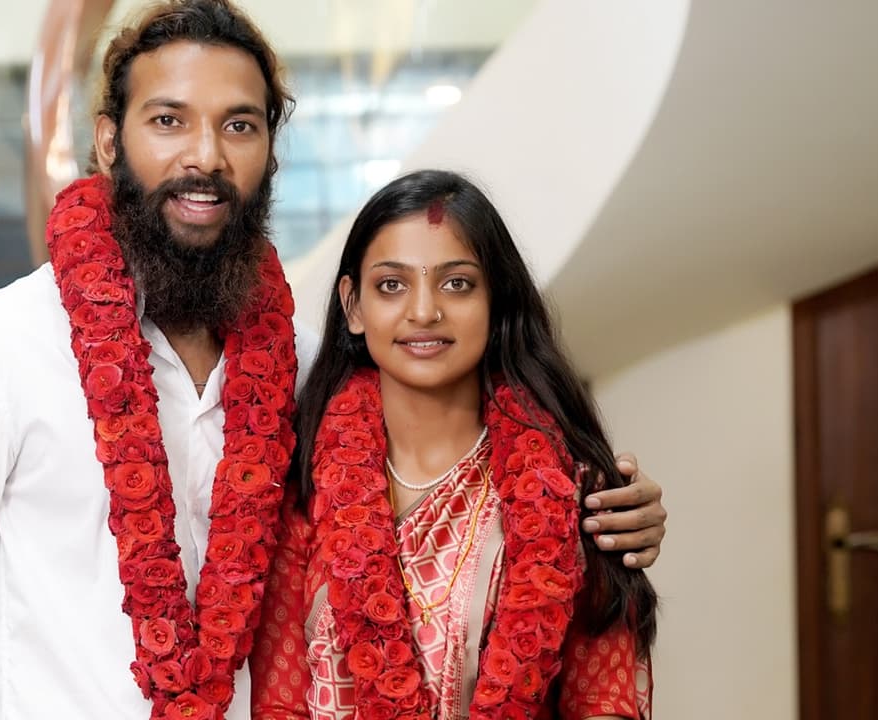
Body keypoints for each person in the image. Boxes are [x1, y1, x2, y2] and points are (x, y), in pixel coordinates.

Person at [0, 2, 666, 719]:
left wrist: (605, 510)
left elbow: (450, 478)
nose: (205, 156)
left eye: (239, 126)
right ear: (108, 141)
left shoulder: (307, 369)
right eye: (168, 120)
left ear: (270, 152)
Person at [251, 169, 658, 719]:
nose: (424, 311)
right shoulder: (305, 492)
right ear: (353, 306)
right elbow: (280, 705)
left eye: (457, 283)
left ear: (497, 300)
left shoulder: (571, 492)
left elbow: (603, 703)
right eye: (391, 285)